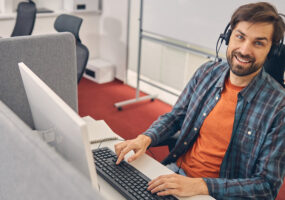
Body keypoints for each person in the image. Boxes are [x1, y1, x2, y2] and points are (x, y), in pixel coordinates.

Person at [115, 2, 285, 199]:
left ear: (272, 51)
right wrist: (146, 138)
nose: (245, 50)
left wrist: (200, 185)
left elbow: (266, 186)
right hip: (174, 173)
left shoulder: (279, 107)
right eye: (240, 37)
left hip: (214, 193)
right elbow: (176, 117)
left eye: (258, 43)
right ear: (228, 37)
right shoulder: (207, 73)